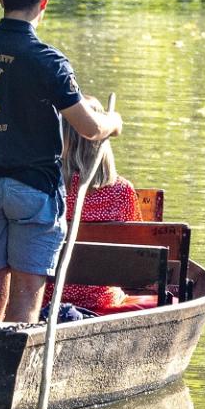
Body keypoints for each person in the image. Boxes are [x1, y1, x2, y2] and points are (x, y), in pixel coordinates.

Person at [0, 0, 122, 323]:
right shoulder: (49, 61)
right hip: (33, 190)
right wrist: (114, 122)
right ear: (44, 1)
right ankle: (14, 374)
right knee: (27, 294)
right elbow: (89, 128)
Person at [57, 99, 137, 312]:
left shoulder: (46, 187)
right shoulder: (122, 191)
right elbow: (136, 255)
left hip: (47, 296)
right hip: (102, 299)